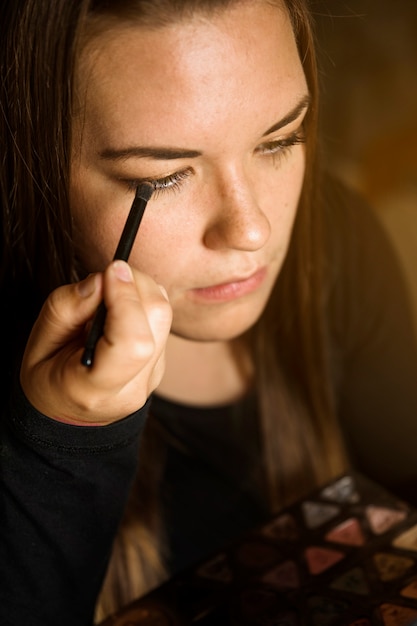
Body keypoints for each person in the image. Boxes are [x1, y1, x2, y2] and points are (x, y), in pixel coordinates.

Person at [1, 0, 417, 624]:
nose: (251, 230)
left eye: (280, 140)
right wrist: (64, 441)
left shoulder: (336, 240)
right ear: (28, 164)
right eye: (165, 177)